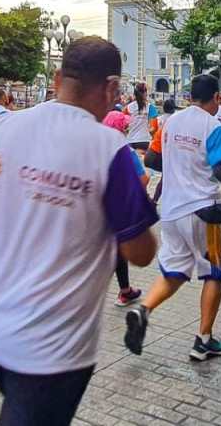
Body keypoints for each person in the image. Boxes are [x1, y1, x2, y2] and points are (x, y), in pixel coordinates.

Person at [0, 37, 158, 425]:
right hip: (56, 345)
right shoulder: (108, 149)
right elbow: (141, 253)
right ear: (113, 88)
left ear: (57, 76)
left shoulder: (0, 129)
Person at [124, 73, 221, 361]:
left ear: (189, 96)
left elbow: (151, 159)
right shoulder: (214, 126)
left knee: (176, 270)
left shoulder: (170, 122)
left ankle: (143, 309)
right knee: (214, 272)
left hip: (171, 211)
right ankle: (204, 340)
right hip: (202, 210)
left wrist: (179, 163)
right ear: (217, 97)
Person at [103, 110, 149, 307]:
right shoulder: (126, 152)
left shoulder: (95, 147)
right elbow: (143, 179)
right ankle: (122, 291)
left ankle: (125, 290)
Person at [124, 83, 157, 152]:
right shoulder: (150, 107)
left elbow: (123, 124)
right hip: (145, 140)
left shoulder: (128, 107)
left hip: (130, 141)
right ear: (145, 93)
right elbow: (153, 128)